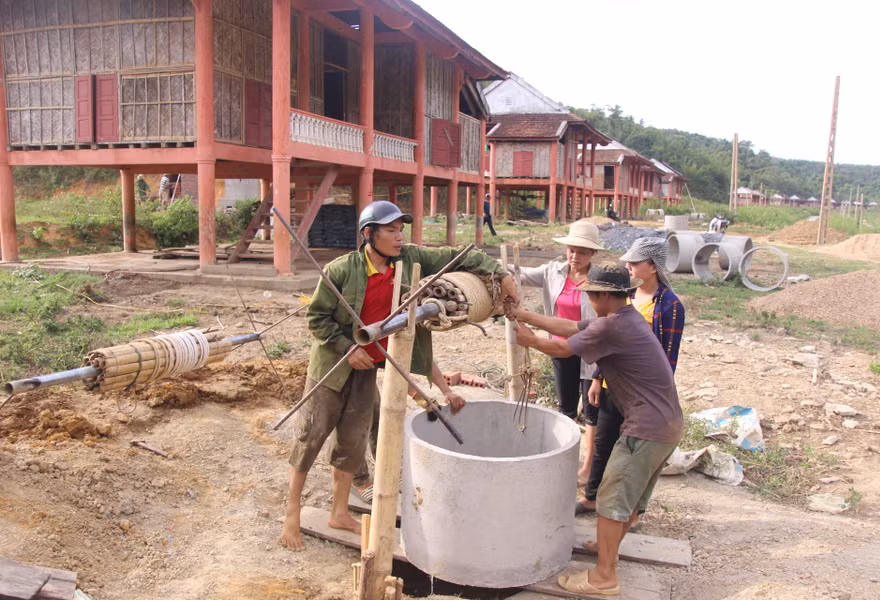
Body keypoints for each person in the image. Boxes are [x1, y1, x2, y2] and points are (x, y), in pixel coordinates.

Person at [279, 200, 517, 551]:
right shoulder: (342, 270)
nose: (398, 236)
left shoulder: (410, 261)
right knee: (309, 439)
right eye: (390, 230)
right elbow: (317, 318)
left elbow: (460, 254)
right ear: (368, 234)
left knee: (352, 443)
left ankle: (339, 512)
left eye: (400, 229)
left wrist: (502, 274)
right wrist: (348, 346)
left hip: (367, 372)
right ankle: (291, 515)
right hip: (331, 370)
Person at [508, 264, 683, 596]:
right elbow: (569, 326)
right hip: (666, 425)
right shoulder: (624, 319)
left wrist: (530, 340)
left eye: (591, 295)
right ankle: (606, 548)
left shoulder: (613, 328)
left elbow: (562, 347)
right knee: (628, 502)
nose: (588, 300)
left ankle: (604, 577)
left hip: (645, 429)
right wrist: (523, 315)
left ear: (604, 296)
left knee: (610, 499)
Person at [576, 237, 685, 515]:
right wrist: (597, 378)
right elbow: (608, 340)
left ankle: (631, 513)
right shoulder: (626, 297)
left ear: (653, 266)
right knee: (603, 443)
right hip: (613, 384)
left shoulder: (669, 305)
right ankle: (592, 498)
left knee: (635, 453)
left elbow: (665, 358)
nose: (628, 266)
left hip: (641, 395)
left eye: (635, 262)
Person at [516, 220, 600, 485]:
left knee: (592, 410)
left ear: (592, 255)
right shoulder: (553, 271)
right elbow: (520, 273)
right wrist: (491, 266)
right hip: (559, 347)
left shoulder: (600, 280)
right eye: (572, 250)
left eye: (583, 252)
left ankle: (588, 468)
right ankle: (565, 460)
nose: (575, 256)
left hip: (590, 349)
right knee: (565, 407)